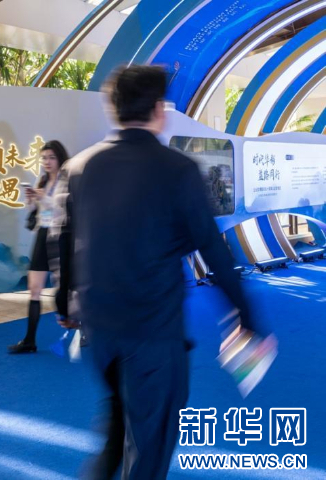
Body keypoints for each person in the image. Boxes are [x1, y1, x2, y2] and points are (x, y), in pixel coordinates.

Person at [67, 66, 266, 479]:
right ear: (159, 110)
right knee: (149, 449)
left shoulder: (86, 168)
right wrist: (245, 318)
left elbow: (76, 240)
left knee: (119, 430)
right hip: (152, 335)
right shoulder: (176, 169)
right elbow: (213, 249)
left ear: (114, 109)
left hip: (100, 333)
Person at [8, 140, 70, 354]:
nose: (47, 162)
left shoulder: (68, 181)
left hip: (62, 235)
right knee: (34, 289)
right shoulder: (42, 180)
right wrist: (32, 200)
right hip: (43, 234)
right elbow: (37, 211)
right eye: (44, 158)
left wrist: (46, 198)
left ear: (60, 158)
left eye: (51, 157)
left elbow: (68, 211)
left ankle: (84, 330)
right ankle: (29, 340)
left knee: (69, 290)